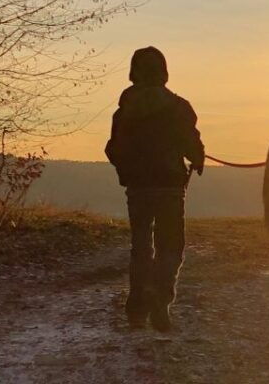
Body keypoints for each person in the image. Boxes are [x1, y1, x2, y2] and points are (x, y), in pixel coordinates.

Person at [105, 46, 204, 331]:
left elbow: (113, 149)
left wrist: (127, 169)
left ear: (134, 72)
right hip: (170, 184)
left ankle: (137, 306)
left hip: (138, 186)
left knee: (140, 245)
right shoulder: (180, 107)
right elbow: (191, 143)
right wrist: (197, 158)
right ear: (163, 72)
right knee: (170, 245)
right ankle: (161, 297)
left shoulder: (124, 111)